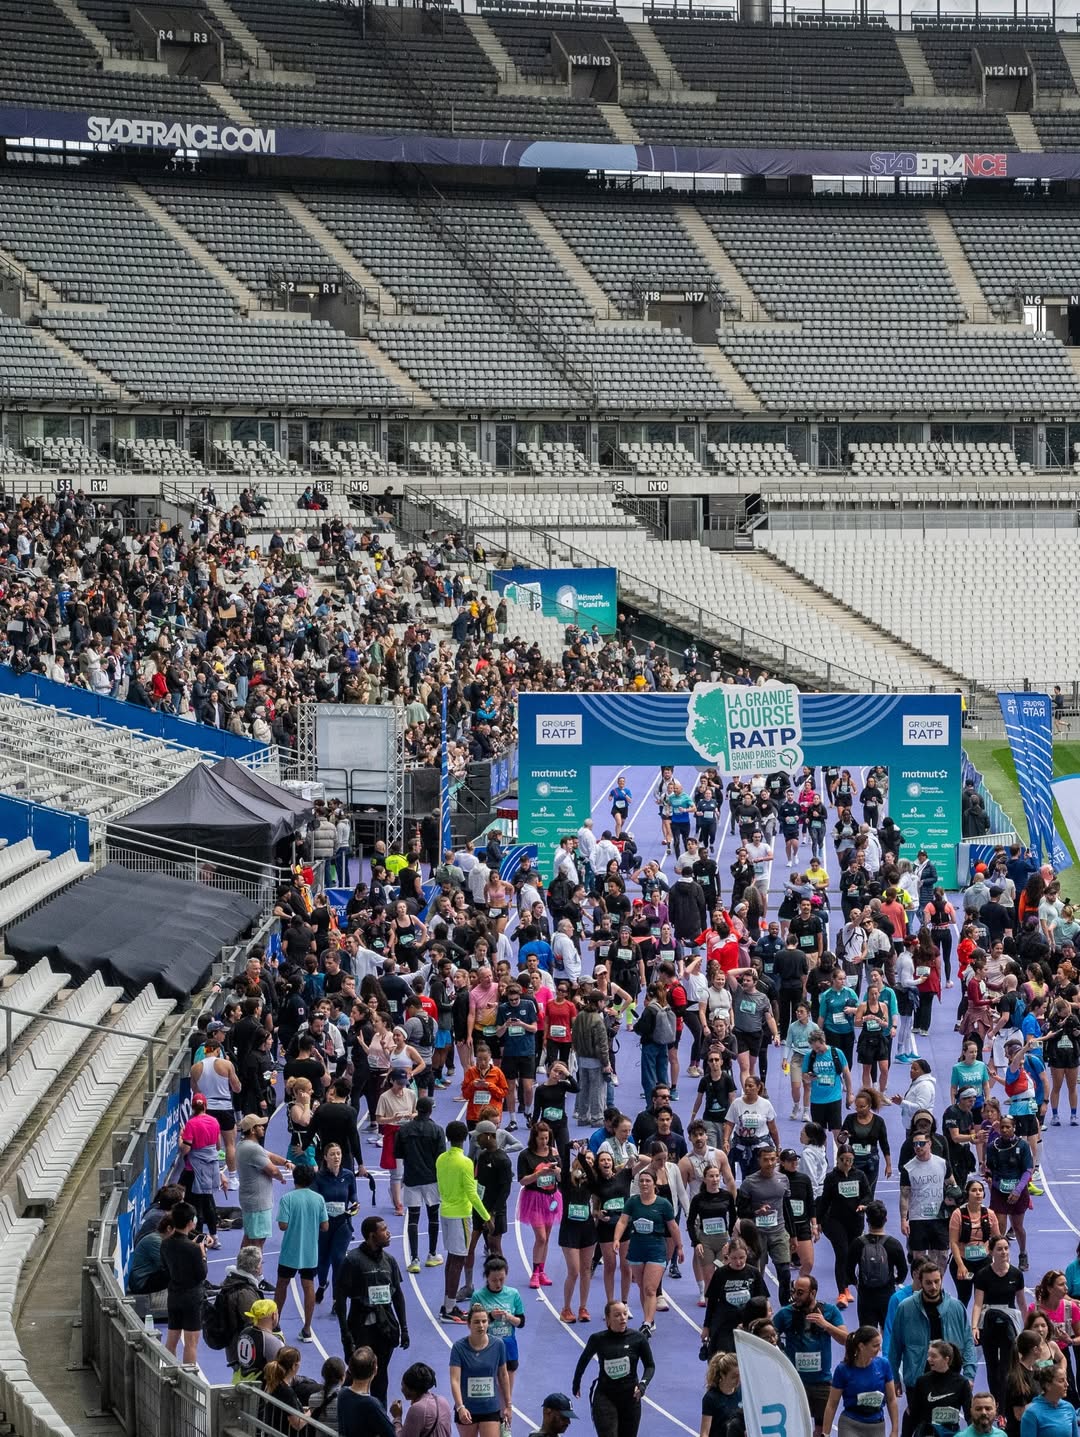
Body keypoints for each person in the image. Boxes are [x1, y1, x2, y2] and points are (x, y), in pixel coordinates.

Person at [334, 1215, 409, 1406]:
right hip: (360, 1327)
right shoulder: (353, 1261)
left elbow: (398, 1295)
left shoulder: (390, 1261)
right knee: (357, 1375)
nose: (389, 1233)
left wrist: (404, 1328)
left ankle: (379, 1416)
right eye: (384, 1229)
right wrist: (345, 1334)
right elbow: (340, 1298)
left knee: (381, 1375)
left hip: (385, 1327)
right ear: (371, 1235)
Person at [887, 1264, 977, 1399]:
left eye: (937, 1282)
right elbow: (895, 1346)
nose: (933, 1287)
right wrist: (894, 1378)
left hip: (951, 1379)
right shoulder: (905, 1308)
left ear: (941, 1280)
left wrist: (969, 1375)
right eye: (928, 1283)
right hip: (917, 1379)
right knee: (916, 1419)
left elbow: (968, 1342)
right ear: (920, 1282)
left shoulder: (957, 1307)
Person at [774, 1274, 847, 1437]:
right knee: (796, 1427)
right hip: (794, 1382)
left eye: (800, 1293)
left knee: (821, 1431)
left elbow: (846, 1340)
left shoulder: (829, 1311)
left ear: (813, 1293)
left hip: (822, 1383)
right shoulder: (785, 1314)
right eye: (794, 1292)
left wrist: (826, 1325)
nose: (795, 1297)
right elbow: (767, 1334)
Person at [612, 1167, 681, 1336]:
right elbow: (622, 1221)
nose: (644, 1183)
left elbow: (672, 1226)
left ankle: (647, 1323)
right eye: (641, 1181)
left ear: (654, 1183)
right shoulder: (633, 1202)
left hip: (656, 1249)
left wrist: (680, 1247)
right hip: (636, 1249)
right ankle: (648, 1318)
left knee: (650, 1288)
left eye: (647, 1181)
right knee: (643, 1287)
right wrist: (616, 1239)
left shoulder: (663, 1204)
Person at [572, 1298, 655, 1437]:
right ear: (607, 1320)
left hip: (631, 1398)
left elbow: (650, 1366)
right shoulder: (598, 1339)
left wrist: (643, 1384)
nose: (623, 1318)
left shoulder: (638, 1338)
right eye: (617, 1315)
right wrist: (576, 1383)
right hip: (605, 1396)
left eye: (625, 1314)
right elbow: (583, 1361)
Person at [437, 1119, 492, 1323]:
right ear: (466, 1138)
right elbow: (471, 1192)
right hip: (460, 1214)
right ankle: (450, 1309)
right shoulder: (466, 1162)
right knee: (458, 1260)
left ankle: (447, 1304)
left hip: (445, 1211)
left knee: (452, 1259)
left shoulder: (441, 1159)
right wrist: (486, 1216)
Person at [273, 1162, 327, 1343]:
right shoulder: (318, 1199)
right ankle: (307, 1329)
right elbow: (325, 1226)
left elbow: (282, 1225)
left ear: (294, 1178)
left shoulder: (287, 1199)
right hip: (310, 1253)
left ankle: (275, 1324)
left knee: (282, 1285)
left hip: (290, 1251)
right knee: (308, 1286)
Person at [971, 1237, 1026, 1407]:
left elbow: (1022, 1303)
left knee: (1005, 1368)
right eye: (1000, 1249)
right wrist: (974, 1326)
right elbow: (978, 1303)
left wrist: (1028, 1326)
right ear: (992, 1252)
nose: (1004, 1252)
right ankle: (994, 1401)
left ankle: (1002, 1407)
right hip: (989, 1321)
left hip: (1009, 1322)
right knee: (992, 1365)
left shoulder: (1016, 1274)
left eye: (1006, 1248)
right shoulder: (983, 1275)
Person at [396, 1095, 446, 1274]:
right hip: (432, 1179)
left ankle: (414, 1259)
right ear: (431, 1110)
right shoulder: (437, 1130)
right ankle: (432, 1254)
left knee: (413, 1219)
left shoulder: (404, 1130)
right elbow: (441, 1157)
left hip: (412, 1178)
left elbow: (399, 1154)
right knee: (433, 1217)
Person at [822, 1325, 898, 1437]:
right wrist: (825, 1434)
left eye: (879, 1345)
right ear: (862, 1346)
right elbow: (832, 1404)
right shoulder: (843, 1370)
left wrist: (895, 1430)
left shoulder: (884, 1365)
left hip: (876, 1425)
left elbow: (891, 1400)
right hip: (850, 1424)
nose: (879, 1349)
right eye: (875, 1346)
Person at [448, 1305, 511, 1437]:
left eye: (484, 1321)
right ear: (468, 1324)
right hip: (467, 1409)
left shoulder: (498, 1345)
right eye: (476, 1322)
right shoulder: (459, 1348)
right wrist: (460, 1407)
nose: (481, 1325)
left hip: (490, 1408)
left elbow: (503, 1375)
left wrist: (508, 1405)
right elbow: (455, 1380)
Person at [469, 1255, 525, 1403]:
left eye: (502, 1279)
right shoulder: (478, 1296)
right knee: (490, 1386)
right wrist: (491, 1316)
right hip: (486, 1346)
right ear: (486, 1277)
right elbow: (472, 1324)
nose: (498, 1283)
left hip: (508, 1346)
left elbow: (521, 1322)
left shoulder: (513, 1294)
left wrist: (508, 1317)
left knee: (507, 1391)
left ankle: (505, 1419)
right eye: (494, 1280)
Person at [847, 1200, 907, 1331]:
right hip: (887, 1294)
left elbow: (848, 1270)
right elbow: (903, 1271)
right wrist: (895, 1281)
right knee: (889, 1334)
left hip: (865, 1295)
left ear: (867, 1221)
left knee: (867, 1335)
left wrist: (857, 1283)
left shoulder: (858, 1244)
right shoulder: (894, 1244)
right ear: (885, 1219)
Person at [160, 1201, 208, 1365]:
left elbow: (165, 1267)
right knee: (191, 1344)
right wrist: (202, 1255)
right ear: (190, 1223)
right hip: (192, 1298)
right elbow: (202, 1274)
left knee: (172, 1338)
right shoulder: (193, 1248)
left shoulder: (165, 1243)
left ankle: (168, 1372)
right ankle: (189, 1383)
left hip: (174, 1295)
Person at [518, 1120, 562, 1292]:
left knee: (548, 1237)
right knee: (541, 1238)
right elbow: (522, 1180)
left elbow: (561, 1179)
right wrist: (539, 1174)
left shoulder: (554, 1153)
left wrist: (557, 1172)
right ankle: (535, 1272)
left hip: (551, 1198)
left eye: (547, 1138)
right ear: (534, 1138)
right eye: (541, 1139)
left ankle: (542, 1270)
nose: (544, 1142)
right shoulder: (526, 1156)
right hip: (534, 1198)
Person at [312, 1141, 358, 1306]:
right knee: (322, 1261)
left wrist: (355, 1204)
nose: (336, 1157)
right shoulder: (318, 1177)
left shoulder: (348, 1175)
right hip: (324, 1225)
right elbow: (315, 1201)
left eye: (338, 1153)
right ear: (325, 1158)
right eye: (332, 1154)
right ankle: (323, 1284)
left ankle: (337, 1299)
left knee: (338, 1259)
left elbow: (353, 1195)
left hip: (343, 1224)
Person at [236, 1113, 291, 1250]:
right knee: (257, 1242)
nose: (263, 1128)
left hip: (251, 1200)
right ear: (253, 1130)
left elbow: (269, 1155)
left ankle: (242, 1266)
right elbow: (272, 1170)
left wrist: (285, 1162)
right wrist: (281, 1177)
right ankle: (255, 1269)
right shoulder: (253, 1149)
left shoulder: (244, 1145)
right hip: (258, 1203)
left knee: (249, 1237)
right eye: (260, 1126)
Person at [947, 1178, 998, 1309]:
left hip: (984, 1262)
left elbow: (997, 1240)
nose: (978, 1193)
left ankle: (980, 1327)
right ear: (967, 1194)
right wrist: (960, 1265)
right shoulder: (958, 1214)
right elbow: (953, 1242)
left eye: (981, 1190)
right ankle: (961, 1326)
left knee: (984, 1298)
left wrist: (998, 1262)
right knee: (964, 1296)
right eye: (974, 1190)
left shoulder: (990, 1214)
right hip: (963, 1261)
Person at [338, 1345, 395, 1437]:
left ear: (350, 1369)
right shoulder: (373, 1404)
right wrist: (397, 1417)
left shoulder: (342, 1393)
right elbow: (391, 1434)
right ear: (375, 1371)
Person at [389, 1361, 454, 1437]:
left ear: (413, 1390)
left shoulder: (417, 1409)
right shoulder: (443, 1401)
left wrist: (397, 1417)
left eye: (403, 1385)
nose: (402, 1389)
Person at [1020, 1362, 1078, 1437]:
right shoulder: (1031, 1413)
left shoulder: (1069, 1408)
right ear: (1048, 1386)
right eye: (1061, 1381)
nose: (1067, 1384)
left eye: (1066, 1380)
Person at [260, 1345, 308, 1432]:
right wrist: (312, 1411)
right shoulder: (286, 1392)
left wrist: (301, 1408)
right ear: (294, 1366)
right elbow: (298, 1424)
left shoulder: (272, 1382)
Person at [700, 1352, 741, 1437]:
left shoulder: (742, 1393)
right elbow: (705, 1432)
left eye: (740, 1376)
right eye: (734, 1377)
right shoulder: (711, 1398)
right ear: (722, 1375)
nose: (738, 1380)